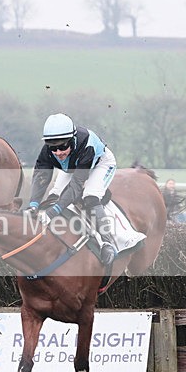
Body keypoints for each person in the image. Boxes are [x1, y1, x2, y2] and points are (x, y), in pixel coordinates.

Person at [25, 113, 143, 266]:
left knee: (90, 197)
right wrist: (33, 205)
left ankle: (107, 243)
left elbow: (75, 186)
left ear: (72, 140)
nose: (59, 152)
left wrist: (53, 212)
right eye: (53, 148)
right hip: (73, 165)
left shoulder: (86, 144)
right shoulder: (47, 151)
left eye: (63, 146)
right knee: (54, 196)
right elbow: (41, 177)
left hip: (100, 163)